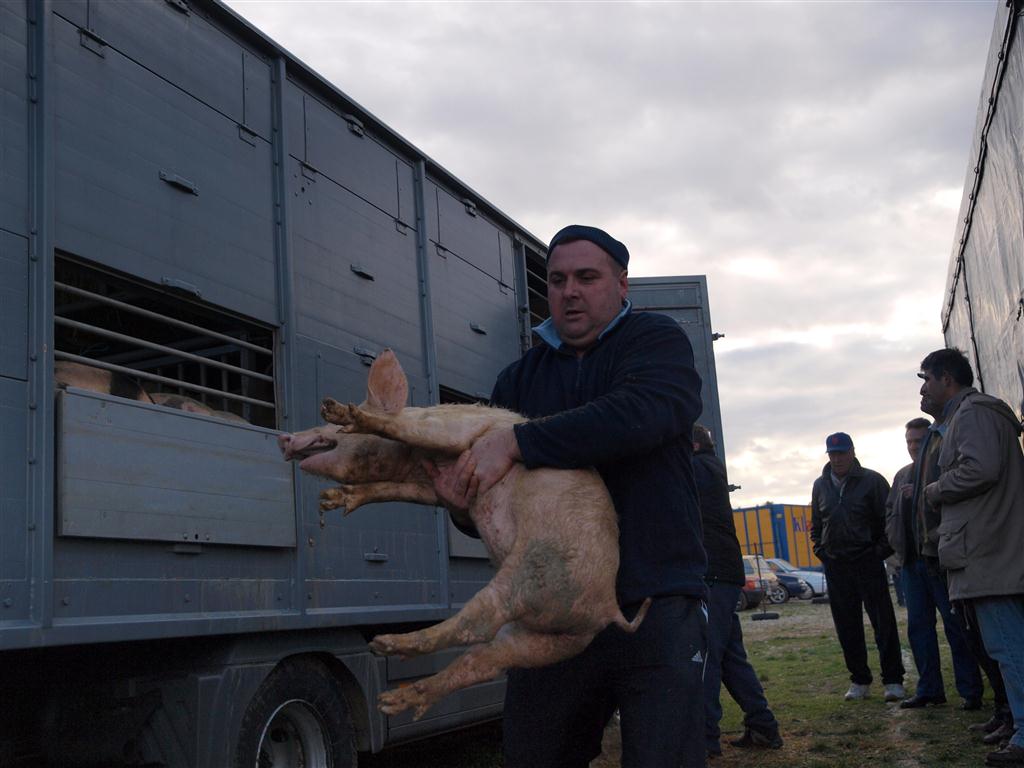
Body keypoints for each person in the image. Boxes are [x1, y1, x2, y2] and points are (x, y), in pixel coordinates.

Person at [427, 225, 708, 767]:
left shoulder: (655, 342)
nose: (569, 291)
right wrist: (461, 502)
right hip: (549, 615)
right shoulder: (517, 380)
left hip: (653, 601)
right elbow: (494, 502)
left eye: (586, 277)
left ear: (622, 285)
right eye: (556, 280)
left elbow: (639, 414)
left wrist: (519, 441)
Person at [918, 348, 1024, 767]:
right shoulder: (970, 416)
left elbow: (981, 468)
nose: (922, 389)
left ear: (947, 379)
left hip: (990, 554)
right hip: (989, 551)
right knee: (1007, 647)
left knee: (1009, 649)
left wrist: (935, 489)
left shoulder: (974, 415)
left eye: (925, 378)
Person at [693, 424, 782, 759]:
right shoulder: (712, 468)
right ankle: (762, 724)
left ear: (693, 444)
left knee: (706, 657)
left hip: (713, 574)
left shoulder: (698, 468)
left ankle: (704, 738)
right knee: (731, 658)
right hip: (724, 573)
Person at [885, 417, 983, 710]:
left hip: (940, 561)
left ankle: (970, 691)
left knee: (956, 627)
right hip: (912, 564)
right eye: (909, 442)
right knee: (918, 628)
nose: (913, 446)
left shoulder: (941, 469)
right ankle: (929, 690)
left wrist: (925, 497)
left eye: (918, 440)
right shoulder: (902, 475)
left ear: (929, 440)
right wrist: (896, 549)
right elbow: (890, 513)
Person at [810, 432, 906, 702]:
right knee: (847, 626)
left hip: (867, 562)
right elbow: (816, 524)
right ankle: (859, 680)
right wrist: (822, 551)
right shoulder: (820, 485)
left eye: (842, 452)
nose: (838, 458)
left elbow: (889, 522)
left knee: (883, 622)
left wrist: (877, 553)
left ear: (853, 452)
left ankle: (894, 680)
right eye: (833, 453)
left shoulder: (873, 481)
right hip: (836, 565)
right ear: (828, 455)